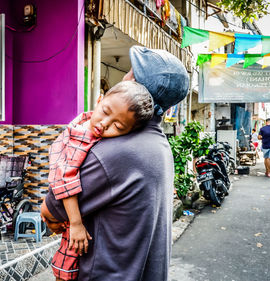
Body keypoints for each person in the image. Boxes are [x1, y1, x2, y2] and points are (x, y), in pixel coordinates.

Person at [41, 45, 189, 281]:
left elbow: (51, 210)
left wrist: (52, 213)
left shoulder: (114, 152)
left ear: (136, 92)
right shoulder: (159, 145)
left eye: (131, 72)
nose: (125, 75)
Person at [46, 80, 154, 281]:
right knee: (67, 264)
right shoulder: (81, 138)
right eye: (105, 111)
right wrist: (76, 222)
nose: (105, 124)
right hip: (68, 210)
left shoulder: (96, 130)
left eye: (118, 126)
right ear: (99, 99)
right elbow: (65, 178)